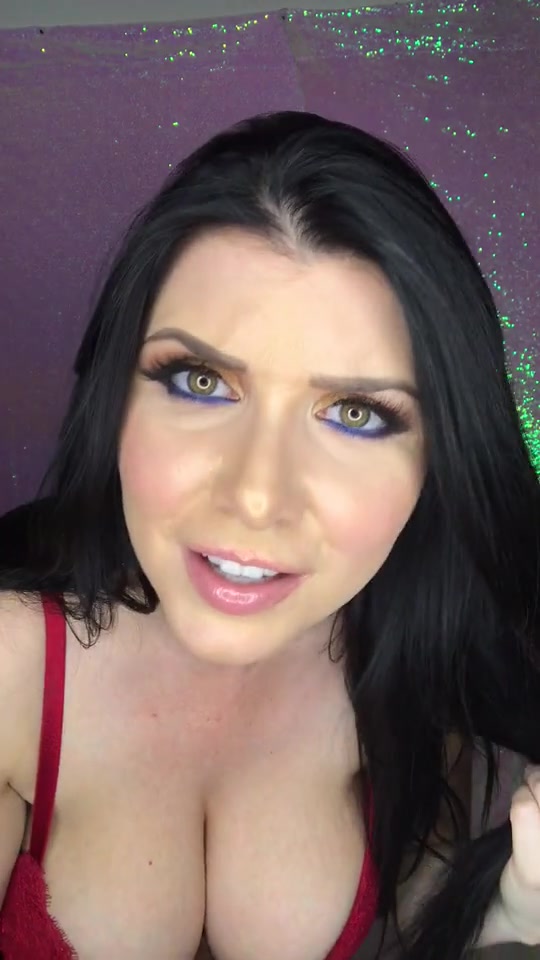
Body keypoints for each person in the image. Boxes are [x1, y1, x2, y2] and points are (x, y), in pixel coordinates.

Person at [0, 110, 539, 960]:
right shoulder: (10, 677)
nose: (256, 496)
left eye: (355, 414)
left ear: (437, 461)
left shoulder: (440, 699)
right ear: (116, 394)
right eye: (199, 381)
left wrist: (512, 917)